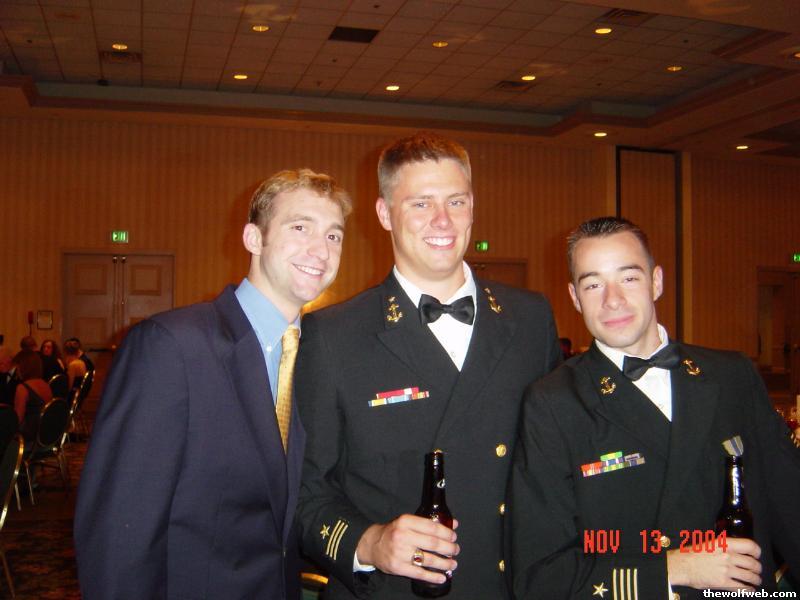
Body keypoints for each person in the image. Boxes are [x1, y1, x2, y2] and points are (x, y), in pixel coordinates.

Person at [295, 132, 561, 599]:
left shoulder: (531, 318)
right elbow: (303, 494)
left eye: (456, 201)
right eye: (420, 204)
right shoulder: (333, 335)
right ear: (384, 214)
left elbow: (557, 467)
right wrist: (369, 542)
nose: (443, 220)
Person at [74, 168, 351, 600]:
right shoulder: (172, 346)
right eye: (300, 227)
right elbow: (118, 535)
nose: (321, 249)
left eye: (334, 235)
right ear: (253, 238)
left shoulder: (318, 356)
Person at [510, 216, 800, 599]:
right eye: (593, 284)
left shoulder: (732, 376)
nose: (612, 299)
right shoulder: (553, 403)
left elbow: (790, 506)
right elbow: (539, 576)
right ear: (575, 298)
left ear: (656, 282)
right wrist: (673, 568)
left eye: (629, 278)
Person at [12, 350, 52, 443]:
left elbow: (17, 419)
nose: (16, 371)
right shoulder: (46, 385)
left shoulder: (22, 388)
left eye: (17, 367)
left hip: (27, 437)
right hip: (44, 435)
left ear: (24, 367)